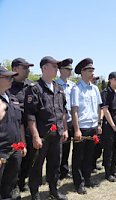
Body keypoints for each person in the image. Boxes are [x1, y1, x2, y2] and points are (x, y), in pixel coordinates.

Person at [25, 56, 68, 200]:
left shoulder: (59, 88)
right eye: (54, 66)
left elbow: (62, 111)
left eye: (57, 66)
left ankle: (53, 190)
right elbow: (30, 115)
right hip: (42, 136)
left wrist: (65, 129)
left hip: (57, 135)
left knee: (55, 164)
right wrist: (36, 136)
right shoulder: (34, 89)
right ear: (44, 68)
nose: (57, 69)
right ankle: (35, 194)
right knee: (37, 166)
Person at [71, 58, 102, 194]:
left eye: (93, 70)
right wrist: (76, 129)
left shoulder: (95, 88)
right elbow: (74, 111)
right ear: (82, 72)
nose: (92, 73)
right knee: (78, 156)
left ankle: (87, 178)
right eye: (89, 70)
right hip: (82, 127)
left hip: (93, 126)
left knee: (90, 155)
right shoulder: (76, 89)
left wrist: (99, 123)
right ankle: (79, 183)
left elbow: (98, 107)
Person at [0, 66, 26, 200]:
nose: (12, 79)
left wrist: (23, 143)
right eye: (8, 77)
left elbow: (19, 123)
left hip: (15, 148)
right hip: (1, 151)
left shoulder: (13, 98)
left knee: (10, 183)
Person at [9, 58, 34, 195]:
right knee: (16, 159)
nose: (28, 71)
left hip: (29, 128)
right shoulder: (7, 86)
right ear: (15, 69)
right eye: (24, 68)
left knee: (29, 157)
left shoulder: (30, 86)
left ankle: (22, 180)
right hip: (14, 128)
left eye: (28, 68)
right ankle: (14, 184)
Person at [101, 72, 116, 182]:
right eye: (115, 79)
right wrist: (113, 126)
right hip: (109, 124)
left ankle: (113, 169)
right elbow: (105, 111)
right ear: (110, 80)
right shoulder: (105, 93)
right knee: (109, 149)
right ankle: (107, 172)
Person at [55, 58, 75, 180]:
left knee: (68, 148)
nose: (69, 71)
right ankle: (56, 173)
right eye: (67, 69)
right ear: (60, 70)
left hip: (71, 120)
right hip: (60, 121)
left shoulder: (73, 86)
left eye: (70, 69)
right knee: (59, 150)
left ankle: (65, 170)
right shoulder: (55, 85)